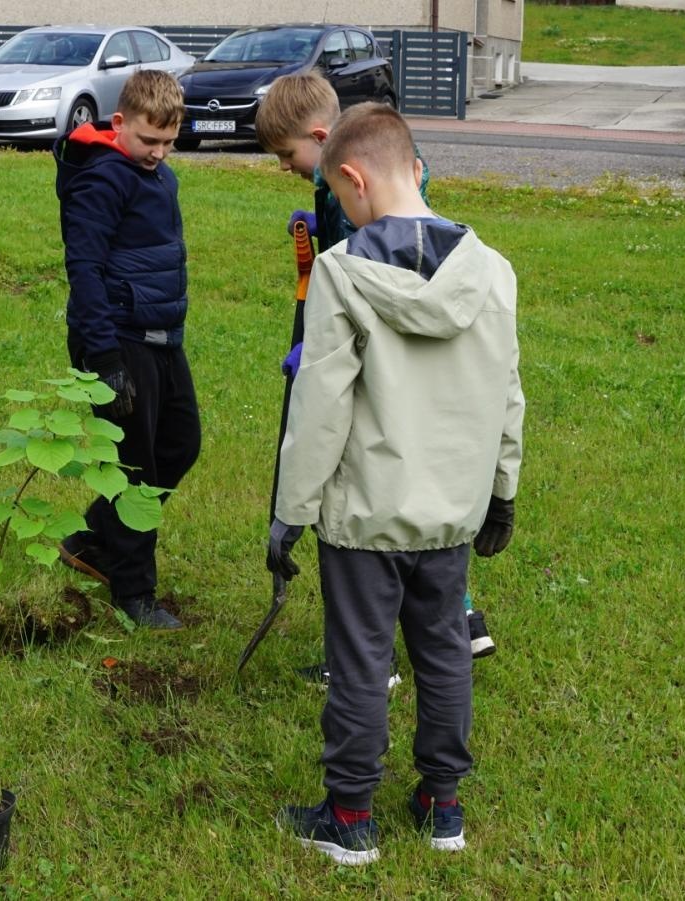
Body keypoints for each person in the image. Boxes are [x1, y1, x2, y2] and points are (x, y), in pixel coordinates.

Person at [265, 102, 524, 864]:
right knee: (442, 652)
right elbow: (509, 394)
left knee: (360, 660)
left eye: (341, 200)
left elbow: (320, 406)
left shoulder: (341, 275)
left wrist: (290, 513)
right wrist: (502, 491)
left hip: (363, 517)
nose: (342, 213)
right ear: (416, 168)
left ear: (354, 179)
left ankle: (349, 816)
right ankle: (444, 805)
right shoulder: (494, 272)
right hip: (451, 514)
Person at [254, 72, 496, 677]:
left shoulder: (344, 191)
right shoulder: (362, 177)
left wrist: (314, 354)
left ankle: (369, 657)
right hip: (428, 411)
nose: (287, 167)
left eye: (289, 155)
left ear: (322, 139)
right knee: (422, 492)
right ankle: (457, 621)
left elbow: (359, 288)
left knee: (371, 507)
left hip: (374, 360)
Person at [52, 70, 200, 630]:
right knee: (135, 467)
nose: (158, 154)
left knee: (181, 443)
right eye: (148, 141)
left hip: (164, 338)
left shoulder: (161, 179)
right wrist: (106, 360)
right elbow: (83, 270)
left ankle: (94, 539)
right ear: (120, 124)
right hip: (119, 341)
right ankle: (134, 594)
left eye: (169, 143)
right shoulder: (101, 179)